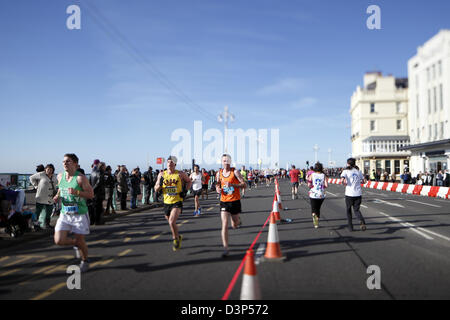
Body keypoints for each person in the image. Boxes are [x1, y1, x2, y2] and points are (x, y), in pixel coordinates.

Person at [53, 153, 94, 272]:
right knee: (59, 240)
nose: (65, 163)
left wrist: (77, 193)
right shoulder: (60, 176)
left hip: (79, 214)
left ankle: (85, 260)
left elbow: (91, 195)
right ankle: (76, 244)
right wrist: (57, 196)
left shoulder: (81, 178)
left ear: (75, 164)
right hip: (65, 213)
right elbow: (61, 188)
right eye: (64, 161)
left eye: (68, 161)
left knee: (81, 240)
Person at [154, 156, 192, 251]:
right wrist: (160, 184)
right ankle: (178, 236)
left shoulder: (180, 174)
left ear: (175, 164)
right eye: (168, 162)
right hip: (166, 202)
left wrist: (185, 191)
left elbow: (189, 181)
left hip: (177, 201)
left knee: (171, 221)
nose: (170, 164)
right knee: (171, 223)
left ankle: (175, 239)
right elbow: (156, 189)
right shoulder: (161, 174)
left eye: (172, 162)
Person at [216, 154, 246, 258]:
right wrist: (217, 189)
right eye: (224, 161)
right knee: (224, 224)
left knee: (234, 224)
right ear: (221, 162)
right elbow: (217, 183)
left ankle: (237, 220)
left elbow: (244, 184)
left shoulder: (235, 172)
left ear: (230, 161)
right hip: (224, 201)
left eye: (227, 161)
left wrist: (233, 185)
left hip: (235, 201)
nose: (226, 162)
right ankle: (226, 248)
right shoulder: (219, 173)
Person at [340, 158, 367, 232]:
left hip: (349, 193)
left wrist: (344, 183)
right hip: (358, 193)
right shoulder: (358, 171)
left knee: (348, 210)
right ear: (354, 164)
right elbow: (364, 181)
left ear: (348, 164)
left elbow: (342, 180)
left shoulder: (345, 171)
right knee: (356, 210)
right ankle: (361, 220)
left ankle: (350, 227)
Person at [29, 164, 58, 229]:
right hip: (41, 196)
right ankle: (36, 225)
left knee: (49, 212)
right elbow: (31, 178)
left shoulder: (54, 176)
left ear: (53, 170)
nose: (49, 170)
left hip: (50, 197)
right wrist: (36, 186)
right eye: (48, 169)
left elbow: (56, 183)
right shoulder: (41, 174)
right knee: (38, 212)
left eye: (51, 169)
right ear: (45, 169)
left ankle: (47, 224)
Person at [307, 162, 328, 229]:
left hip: (313, 193)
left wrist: (312, 186)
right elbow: (326, 185)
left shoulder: (312, 175)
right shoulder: (323, 175)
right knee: (318, 208)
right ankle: (317, 220)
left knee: (313, 208)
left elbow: (309, 185)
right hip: (321, 194)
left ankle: (314, 218)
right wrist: (322, 186)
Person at [89, 160, 105, 225]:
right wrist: (93, 189)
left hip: (93, 192)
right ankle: (97, 221)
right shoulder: (100, 172)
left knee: (93, 207)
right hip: (98, 192)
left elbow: (89, 182)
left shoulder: (92, 172)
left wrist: (91, 189)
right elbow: (99, 183)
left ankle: (92, 220)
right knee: (98, 208)